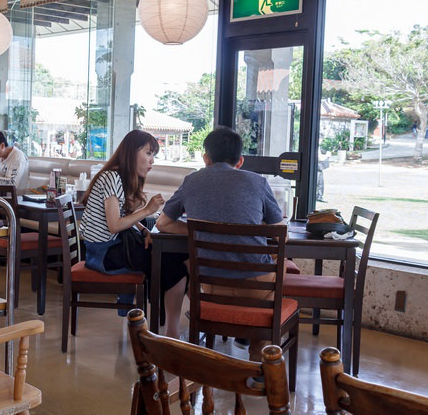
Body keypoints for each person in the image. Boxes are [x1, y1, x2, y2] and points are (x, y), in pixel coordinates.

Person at [156, 126, 284, 361]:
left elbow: (163, 223)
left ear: (206, 158)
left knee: (186, 263)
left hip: (210, 285)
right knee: (282, 267)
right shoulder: (258, 182)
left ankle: (212, 353)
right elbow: (279, 233)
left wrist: (200, 231)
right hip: (255, 286)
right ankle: (258, 359)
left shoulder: (191, 181)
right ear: (241, 160)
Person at [78, 129, 188, 338]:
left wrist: (146, 230)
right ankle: (169, 331)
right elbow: (114, 225)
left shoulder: (118, 176)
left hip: (110, 247)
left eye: (153, 155)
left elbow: (124, 215)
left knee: (172, 259)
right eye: (148, 153)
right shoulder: (111, 177)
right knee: (175, 262)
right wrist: (147, 210)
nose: (151, 161)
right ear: (131, 152)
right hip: (103, 254)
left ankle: (168, 326)